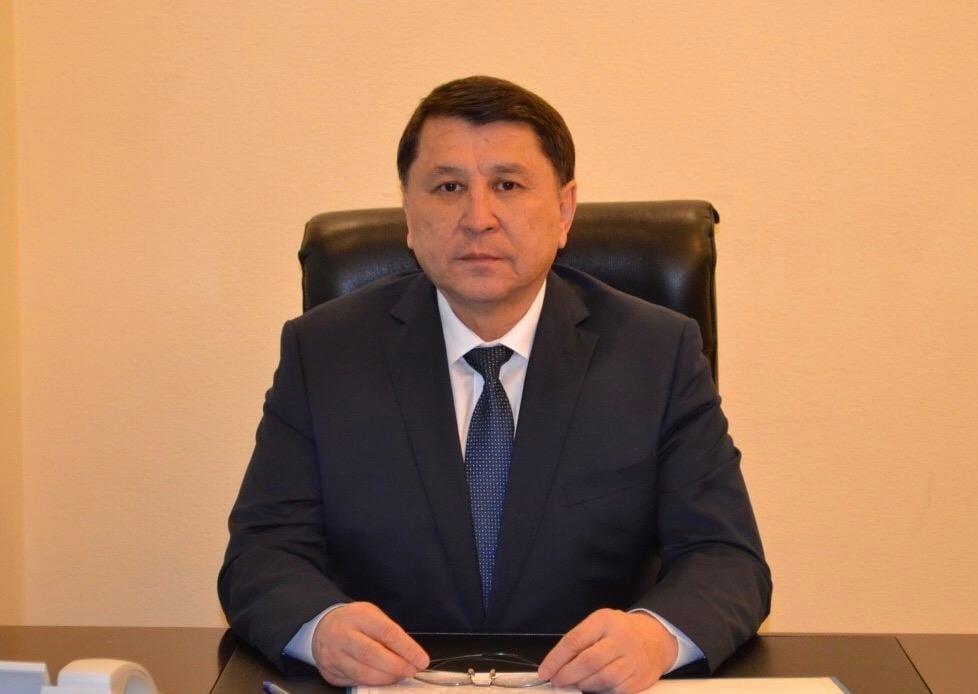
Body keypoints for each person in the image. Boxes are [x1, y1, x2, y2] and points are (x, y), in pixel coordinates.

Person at [219, 75, 770, 693]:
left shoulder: (657, 353)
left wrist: (654, 637)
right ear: (408, 212)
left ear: (564, 210)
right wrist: (319, 628)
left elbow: (726, 558)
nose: (477, 219)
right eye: (448, 187)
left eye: (507, 185)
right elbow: (262, 552)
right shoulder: (323, 352)